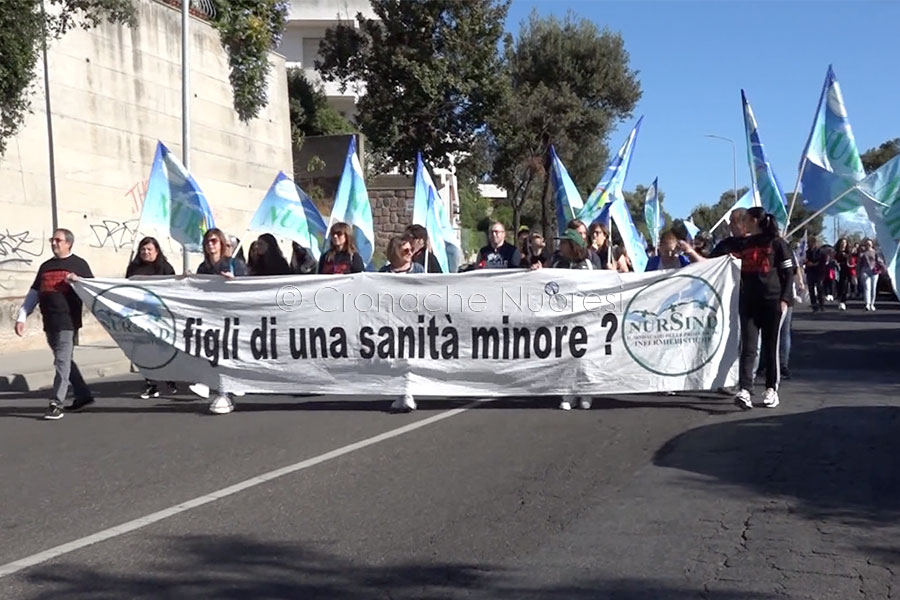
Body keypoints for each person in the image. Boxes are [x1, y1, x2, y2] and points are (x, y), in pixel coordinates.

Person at [706, 208, 795, 411]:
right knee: (748, 347)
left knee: (771, 348)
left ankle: (771, 389)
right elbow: (724, 262)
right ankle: (745, 389)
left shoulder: (778, 243)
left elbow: (788, 273)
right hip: (748, 303)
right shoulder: (744, 244)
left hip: (773, 302)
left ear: (754, 221)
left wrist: (785, 300)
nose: (743, 223)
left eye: (745, 219)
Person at [15, 228, 95, 420]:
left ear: (68, 243)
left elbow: (93, 290)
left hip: (68, 321)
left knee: (61, 360)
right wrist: (21, 316)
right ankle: (83, 396)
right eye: (52, 240)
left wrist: (79, 281)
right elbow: (34, 292)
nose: (54, 243)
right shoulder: (45, 266)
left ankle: (56, 403)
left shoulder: (79, 264)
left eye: (58, 240)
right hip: (49, 320)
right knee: (64, 361)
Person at [194, 228, 246, 414]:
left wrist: (235, 281)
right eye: (208, 241)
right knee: (212, 350)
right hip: (210, 315)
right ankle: (216, 385)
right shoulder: (203, 268)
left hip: (231, 315)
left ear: (222, 243)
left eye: (214, 241)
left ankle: (228, 389)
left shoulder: (235, 264)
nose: (211, 244)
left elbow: (251, 286)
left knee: (228, 350)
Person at [126, 236, 178, 399]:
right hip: (141, 315)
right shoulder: (133, 268)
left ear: (157, 251)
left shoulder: (165, 267)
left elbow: (173, 289)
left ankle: (170, 378)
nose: (146, 252)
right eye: (143, 249)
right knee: (145, 350)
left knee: (163, 348)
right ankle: (151, 383)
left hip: (160, 315)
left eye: (149, 249)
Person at [550, 228, 593, 411]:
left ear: (572, 245)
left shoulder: (587, 264)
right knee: (565, 354)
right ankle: (567, 392)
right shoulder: (557, 263)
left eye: (564, 242)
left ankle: (586, 392)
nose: (560, 245)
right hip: (562, 316)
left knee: (583, 355)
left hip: (583, 317)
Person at [379, 236, 423, 413]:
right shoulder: (383, 272)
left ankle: (408, 393)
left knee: (409, 357)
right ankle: (401, 392)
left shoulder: (418, 269)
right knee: (395, 358)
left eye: (411, 250)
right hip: (390, 321)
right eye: (406, 250)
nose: (410, 253)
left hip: (412, 321)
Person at [858, 238, 884, 311]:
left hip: (874, 271)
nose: (868, 245)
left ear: (872, 244)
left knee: (873, 288)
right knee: (867, 287)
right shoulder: (862, 253)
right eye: (867, 244)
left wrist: (882, 268)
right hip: (865, 271)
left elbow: (879, 261)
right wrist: (857, 273)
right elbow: (859, 263)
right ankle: (867, 304)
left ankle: (872, 304)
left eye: (869, 244)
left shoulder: (875, 252)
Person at [804, 236, 826, 312]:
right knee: (811, 289)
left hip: (819, 272)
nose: (809, 244)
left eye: (810, 242)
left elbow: (823, 261)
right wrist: (807, 263)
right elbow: (805, 260)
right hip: (810, 272)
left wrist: (814, 264)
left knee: (819, 288)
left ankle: (821, 304)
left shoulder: (820, 251)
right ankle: (814, 305)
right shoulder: (807, 252)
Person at [835, 237, 854, 311]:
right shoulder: (836, 252)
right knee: (838, 286)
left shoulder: (848, 252)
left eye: (845, 243)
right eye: (842, 243)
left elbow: (851, 261)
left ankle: (843, 301)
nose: (843, 244)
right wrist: (836, 263)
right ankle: (839, 299)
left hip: (846, 271)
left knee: (844, 286)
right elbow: (833, 259)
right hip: (837, 271)